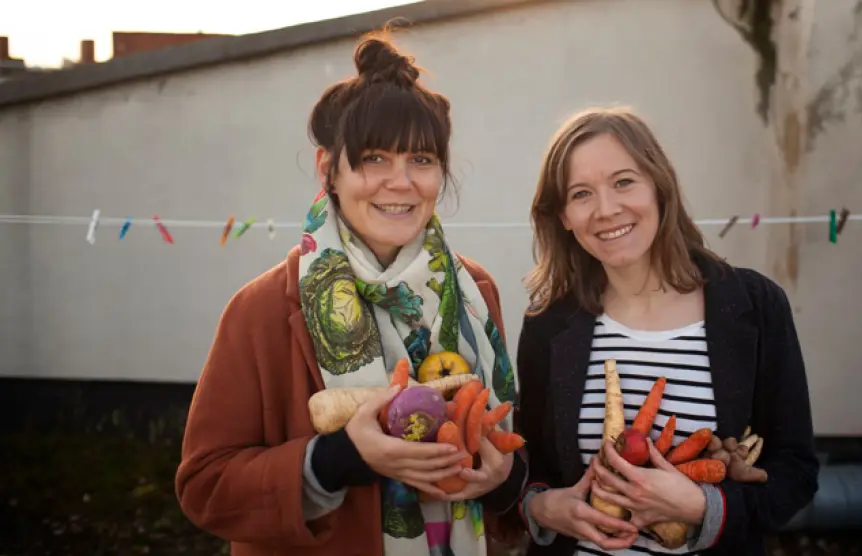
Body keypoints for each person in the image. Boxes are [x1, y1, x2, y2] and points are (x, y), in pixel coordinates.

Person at [175, 30, 528, 556]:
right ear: (328, 170)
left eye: (421, 160)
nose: (401, 182)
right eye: (374, 159)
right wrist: (338, 459)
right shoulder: (264, 308)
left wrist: (503, 482)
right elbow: (205, 487)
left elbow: (504, 449)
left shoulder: (474, 291)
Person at [512, 107, 819, 556]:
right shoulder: (549, 323)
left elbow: (796, 473)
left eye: (623, 182)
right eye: (581, 194)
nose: (606, 209)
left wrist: (703, 506)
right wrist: (541, 507)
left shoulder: (755, 306)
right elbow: (532, 464)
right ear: (564, 215)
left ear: (659, 185)